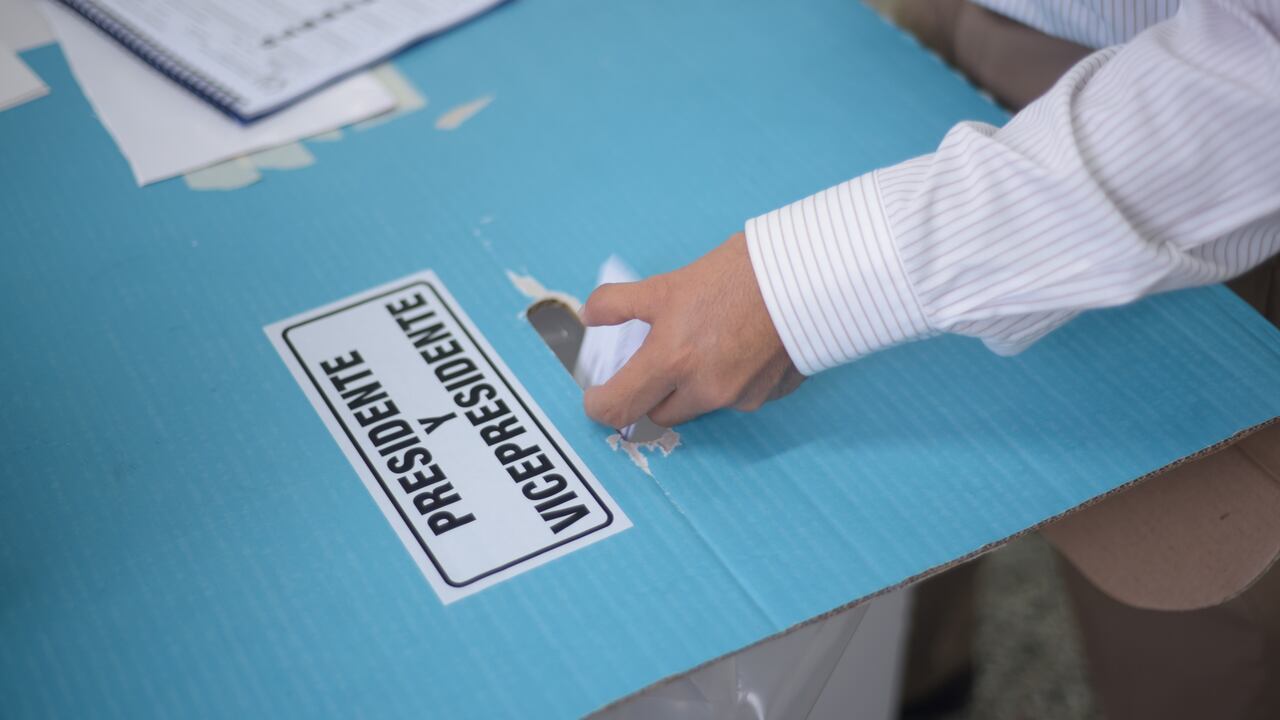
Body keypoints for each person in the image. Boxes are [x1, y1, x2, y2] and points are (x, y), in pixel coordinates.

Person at [580, 1, 1280, 718]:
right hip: (969, 29)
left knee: (1182, 578)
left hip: (1196, 143)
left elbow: (1258, 81)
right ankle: (927, 684)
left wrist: (799, 283)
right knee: (888, 519)